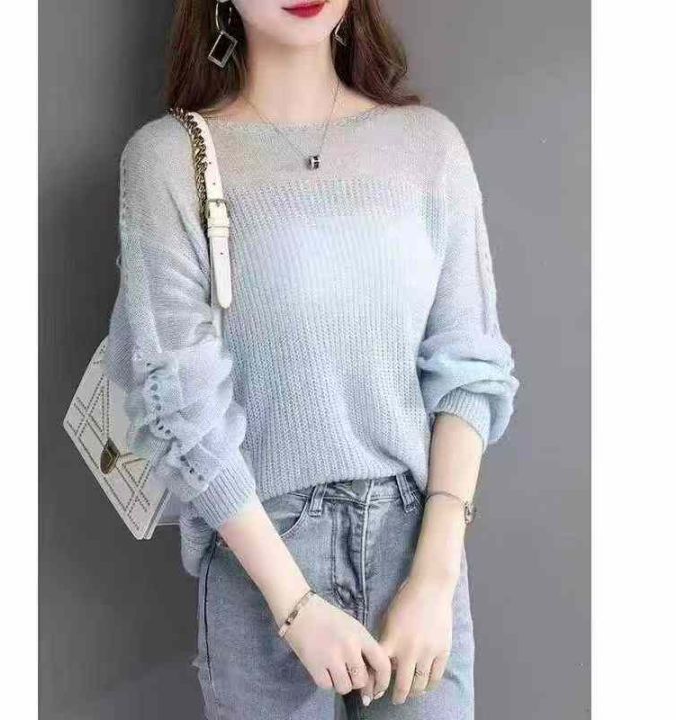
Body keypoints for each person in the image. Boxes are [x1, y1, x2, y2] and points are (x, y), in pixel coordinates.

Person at [105, 1, 519, 717]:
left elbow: (469, 368)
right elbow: (180, 406)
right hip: (259, 554)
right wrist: (293, 604)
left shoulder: (428, 147)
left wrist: (434, 579)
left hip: (416, 543)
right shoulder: (166, 160)